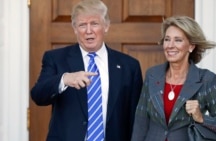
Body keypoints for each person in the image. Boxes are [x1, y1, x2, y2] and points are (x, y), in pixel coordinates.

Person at [30, 0, 143, 141]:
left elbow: (137, 118)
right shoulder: (56, 59)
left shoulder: (129, 66)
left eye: (94, 24)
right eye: (82, 25)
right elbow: (38, 95)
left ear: (106, 26)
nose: (88, 31)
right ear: (75, 29)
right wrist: (64, 79)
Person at [131, 16, 216, 141]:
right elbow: (141, 122)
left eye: (178, 40)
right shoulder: (152, 75)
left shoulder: (206, 80)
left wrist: (201, 118)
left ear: (191, 46)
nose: (170, 45)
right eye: (167, 39)